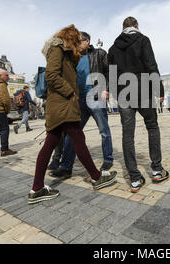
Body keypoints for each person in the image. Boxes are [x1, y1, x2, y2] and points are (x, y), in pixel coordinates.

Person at [29, 25, 117, 204]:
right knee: (77, 139)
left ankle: (37, 188)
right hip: (64, 104)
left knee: (52, 143)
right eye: (76, 40)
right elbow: (52, 76)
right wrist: (71, 93)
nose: (78, 44)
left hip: (63, 104)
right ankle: (96, 176)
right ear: (70, 38)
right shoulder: (57, 49)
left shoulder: (68, 52)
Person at [108, 16, 169, 193]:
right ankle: (157, 170)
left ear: (122, 28)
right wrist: (159, 90)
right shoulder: (143, 40)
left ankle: (134, 178)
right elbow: (151, 65)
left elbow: (111, 76)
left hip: (123, 95)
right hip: (144, 91)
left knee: (128, 135)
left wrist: (117, 93)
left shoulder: (113, 48)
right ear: (136, 26)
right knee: (152, 127)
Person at [49, 31, 115, 179]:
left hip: (96, 95)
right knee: (73, 133)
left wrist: (107, 88)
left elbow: (111, 71)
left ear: (87, 41)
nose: (77, 45)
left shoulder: (99, 53)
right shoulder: (73, 56)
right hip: (78, 99)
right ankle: (66, 166)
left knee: (104, 130)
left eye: (79, 42)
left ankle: (108, 159)